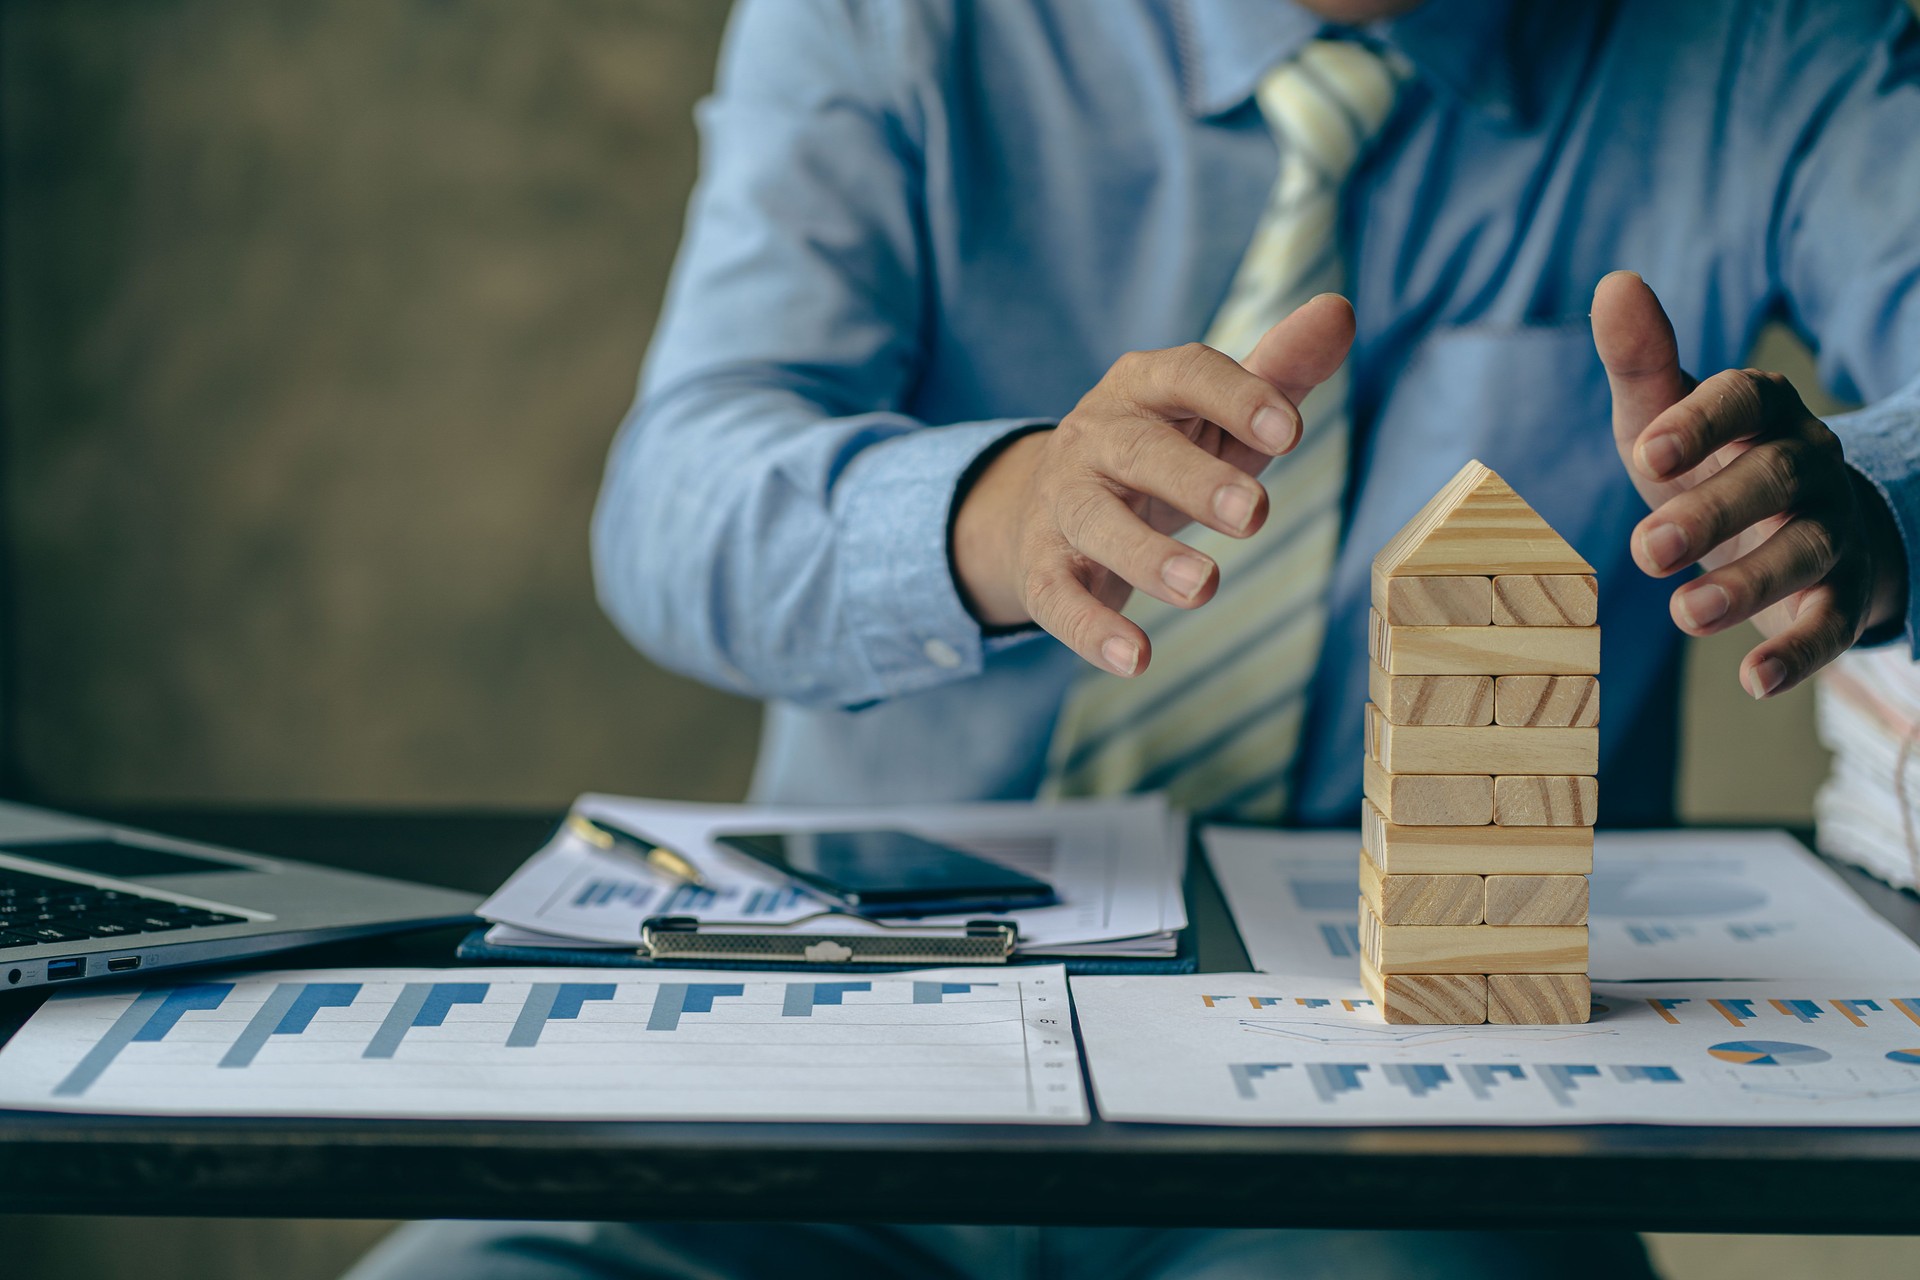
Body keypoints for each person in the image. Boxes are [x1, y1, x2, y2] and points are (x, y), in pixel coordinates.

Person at [348, 0, 1920, 1276]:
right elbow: (676, 499)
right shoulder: (891, 24)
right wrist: (1003, 512)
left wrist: (1883, 507)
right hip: (838, 1047)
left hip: (1406, 1123)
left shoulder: (1778, 44)